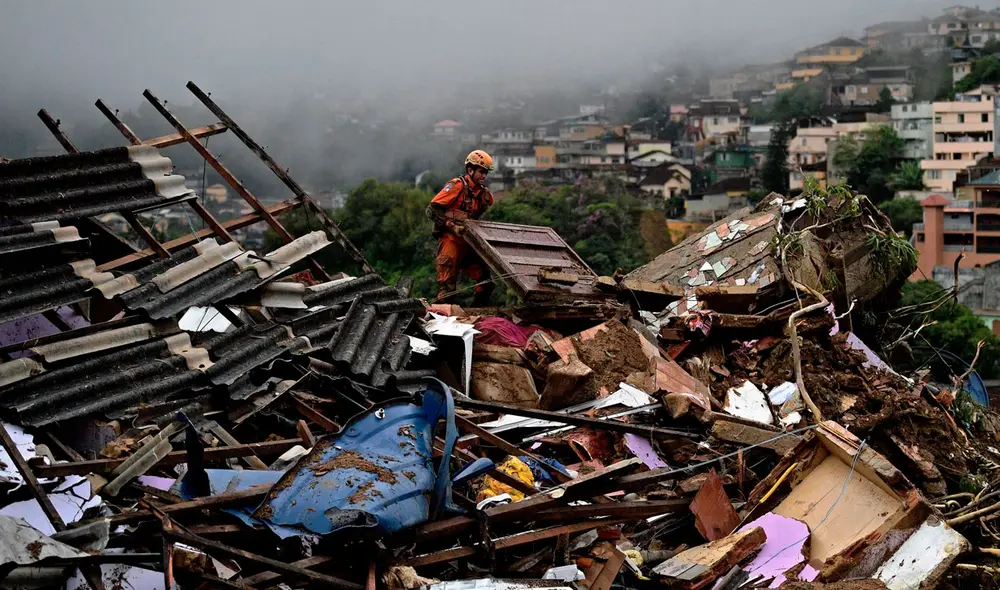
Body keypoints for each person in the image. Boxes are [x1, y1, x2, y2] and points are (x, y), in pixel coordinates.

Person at [426, 150, 496, 304]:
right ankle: (442, 318)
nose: (484, 176)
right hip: (451, 240)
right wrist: (451, 225)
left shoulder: (484, 195)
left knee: (485, 281)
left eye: (486, 173)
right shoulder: (457, 186)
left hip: (470, 242)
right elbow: (432, 210)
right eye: (481, 172)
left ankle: (478, 315)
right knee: (448, 286)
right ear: (470, 170)